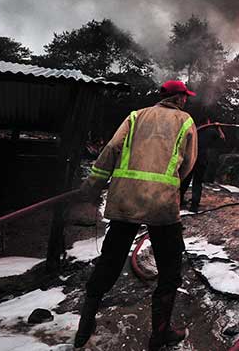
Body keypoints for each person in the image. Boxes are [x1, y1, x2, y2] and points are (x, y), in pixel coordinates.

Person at [74, 80, 198, 350]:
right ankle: (160, 333)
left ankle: (84, 326)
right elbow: (188, 165)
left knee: (109, 262)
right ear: (177, 98)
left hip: (125, 200)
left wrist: (91, 187)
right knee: (169, 270)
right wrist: (171, 186)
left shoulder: (135, 116)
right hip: (162, 206)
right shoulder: (186, 121)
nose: (185, 100)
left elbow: (110, 150)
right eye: (184, 96)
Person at [179, 118, 225, 212]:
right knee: (197, 182)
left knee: (185, 180)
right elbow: (222, 139)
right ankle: (194, 205)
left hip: (190, 157)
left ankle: (179, 201)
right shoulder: (211, 131)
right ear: (208, 121)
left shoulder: (193, 129)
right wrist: (218, 127)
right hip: (201, 159)